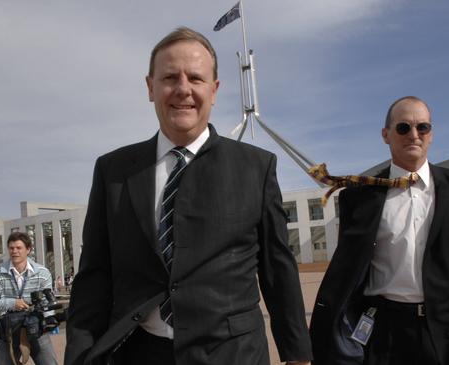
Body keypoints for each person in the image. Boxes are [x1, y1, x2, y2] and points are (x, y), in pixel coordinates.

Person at [64, 26, 311, 365]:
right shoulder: (113, 172)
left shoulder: (256, 167)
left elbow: (277, 268)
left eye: (195, 78)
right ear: (150, 87)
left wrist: (297, 354)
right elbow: (94, 277)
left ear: (214, 89)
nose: (183, 90)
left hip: (232, 353)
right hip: (138, 354)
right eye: (169, 78)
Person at [309, 96, 449, 365]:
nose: (414, 135)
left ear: (431, 133)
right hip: (385, 334)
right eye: (403, 128)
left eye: (423, 127)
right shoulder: (358, 197)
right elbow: (346, 270)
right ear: (386, 135)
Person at [0, 231, 58, 365]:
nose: (14, 251)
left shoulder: (42, 273)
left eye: (19, 248)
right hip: (8, 331)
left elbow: (48, 302)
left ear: (28, 249)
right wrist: (12, 303)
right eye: (11, 248)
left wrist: (49, 320)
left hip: (36, 328)